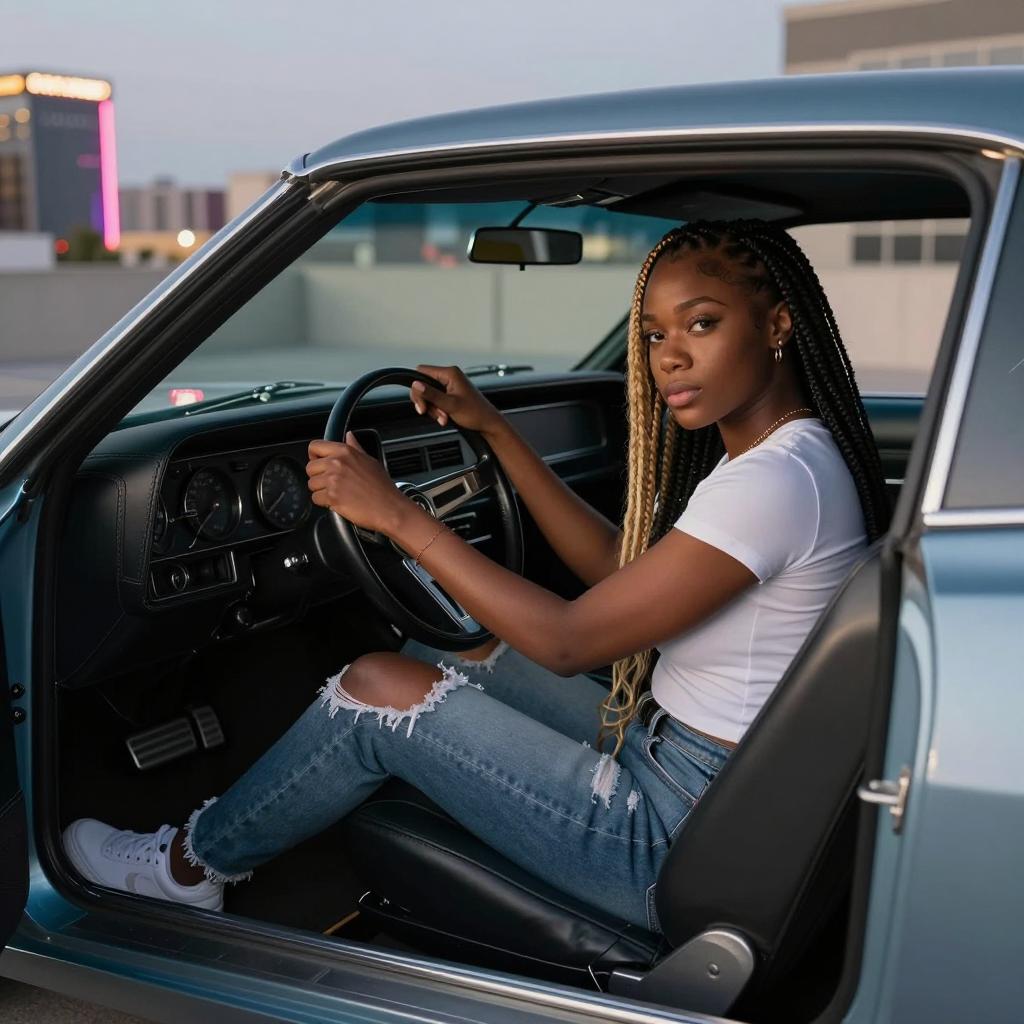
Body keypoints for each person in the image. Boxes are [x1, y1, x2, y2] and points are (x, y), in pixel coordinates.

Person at [63, 219, 888, 931]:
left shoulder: (773, 484)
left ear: (778, 324)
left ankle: (184, 871)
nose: (669, 358)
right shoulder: (787, 459)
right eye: (653, 337)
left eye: (700, 325)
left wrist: (398, 517)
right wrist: (493, 429)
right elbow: (618, 569)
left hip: (669, 832)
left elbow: (568, 641)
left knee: (378, 687)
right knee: (470, 645)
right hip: (690, 769)